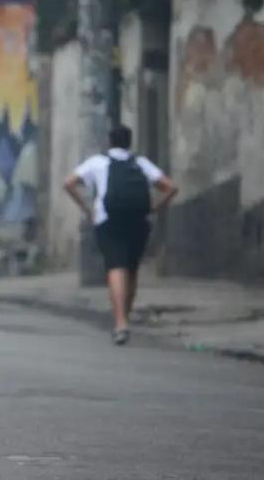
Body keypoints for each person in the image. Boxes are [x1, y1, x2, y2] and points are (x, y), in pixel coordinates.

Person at [64, 125, 179, 345]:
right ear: (129, 142)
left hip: (108, 220)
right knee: (132, 269)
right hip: (138, 221)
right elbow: (171, 187)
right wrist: (154, 208)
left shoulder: (98, 162)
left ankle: (120, 323)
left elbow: (68, 183)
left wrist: (87, 209)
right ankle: (125, 315)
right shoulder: (141, 163)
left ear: (110, 141)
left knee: (116, 267)